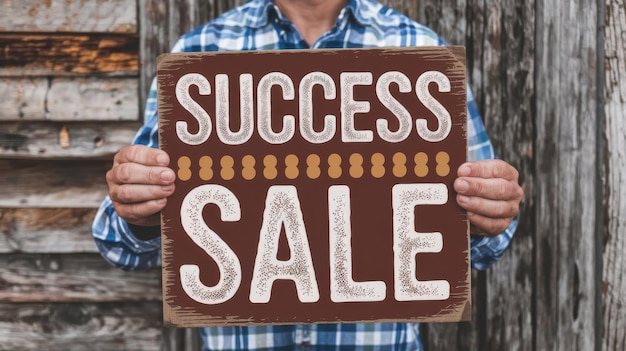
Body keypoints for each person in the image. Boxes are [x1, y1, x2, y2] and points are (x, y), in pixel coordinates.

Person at [92, 0, 524, 349]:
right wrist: (139, 209)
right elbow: (120, 244)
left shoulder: (417, 50)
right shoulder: (199, 54)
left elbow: (490, 239)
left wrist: (490, 209)